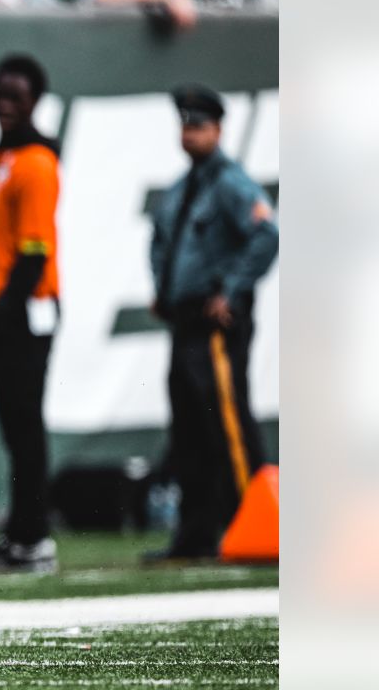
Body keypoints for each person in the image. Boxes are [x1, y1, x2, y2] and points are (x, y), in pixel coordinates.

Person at [145, 84, 277, 562]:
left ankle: (258, 522)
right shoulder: (186, 186)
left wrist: (233, 290)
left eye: (198, 124)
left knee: (227, 422)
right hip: (185, 322)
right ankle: (196, 533)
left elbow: (266, 234)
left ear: (218, 129)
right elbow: (163, 241)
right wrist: (162, 290)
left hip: (216, 323)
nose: (190, 132)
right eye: (185, 123)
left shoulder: (231, 182)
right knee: (189, 427)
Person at [0, 54, 62, 575]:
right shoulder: (7, 153)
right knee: (15, 426)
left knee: (25, 427)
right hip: (7, 310)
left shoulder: (36, 162)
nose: (5, 106)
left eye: (15, 98)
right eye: (0, 95)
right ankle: (22, 534)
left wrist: (4, 308)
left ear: (34, 101)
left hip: (26, 311)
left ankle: (33, 538)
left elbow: (36, 250)